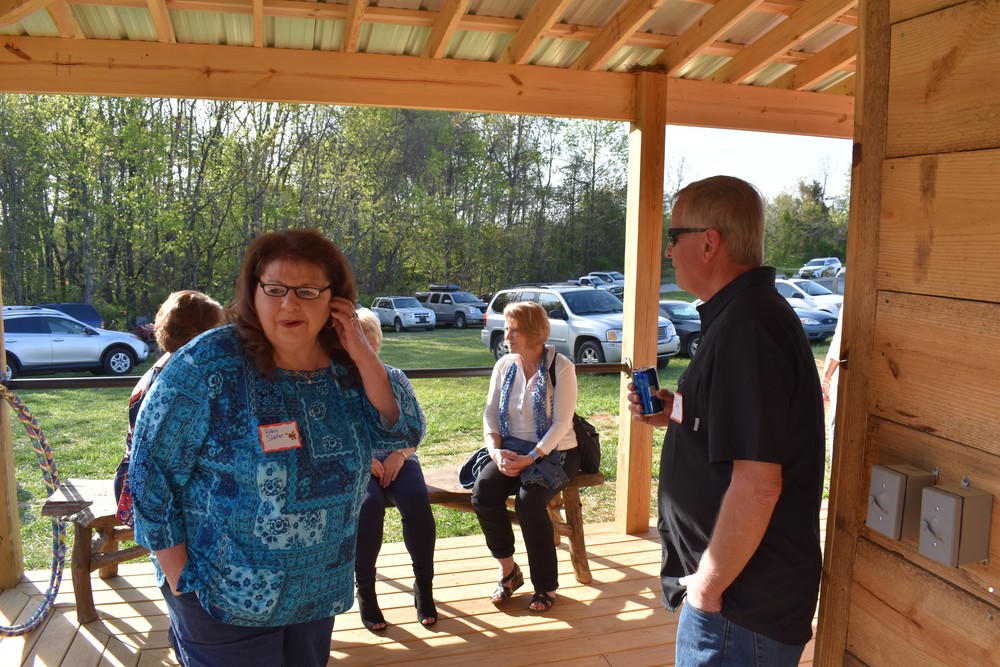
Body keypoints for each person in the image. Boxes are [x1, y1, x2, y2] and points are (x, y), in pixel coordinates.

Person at [129, 229, 424, 667]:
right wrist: (178, 574)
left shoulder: (348, 365)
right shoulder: (208, 363)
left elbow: (403, 432)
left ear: (335, 299)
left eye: (307, 291)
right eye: (275, 289)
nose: (289, 304)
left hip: (316, 590)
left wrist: (364, 354)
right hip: (221, 594)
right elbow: (149, 471)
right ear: (254, 292)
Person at [627, 176, 825, 666]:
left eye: (674, 237)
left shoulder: (748, 327)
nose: (669, 251)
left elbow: (760, 485)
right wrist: (675, 411)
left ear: (708, 243)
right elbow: (743, 428)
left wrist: (707, 589)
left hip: (739, 608)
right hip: (735, 597)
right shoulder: (742, 316)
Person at [469, 300, 580, 613]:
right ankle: (509, 572)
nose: (506, 336)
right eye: (506, 328)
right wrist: (495, 451)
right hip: (511, 448)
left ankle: (545, 586)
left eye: (514, 330)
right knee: (483, 493)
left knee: (529, 503)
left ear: (534, 332)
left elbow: (562, 424)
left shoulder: (561, 367)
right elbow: (490, 415)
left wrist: (531, 457)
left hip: (557, 451)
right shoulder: (504, 366)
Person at [353, 308, 437, 631]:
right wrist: (364, 458)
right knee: (369, 505)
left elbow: (419, 425)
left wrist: (400, 455)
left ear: (377, 343)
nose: (364, 351)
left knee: (417, 500)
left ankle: (424, 587)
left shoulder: (395, 378)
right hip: (359, 462)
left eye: (369, 343)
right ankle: (367, 592)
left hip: (400, 458)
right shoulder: (339, 384)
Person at [114, 290, 224, 526]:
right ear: (198, 335)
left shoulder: (166, 368)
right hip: (141, 494)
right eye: (218, 330)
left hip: (141, 484)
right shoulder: (175, 386)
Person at [821, 313, 844, 450]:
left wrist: (825, 380)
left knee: (839, 429)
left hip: (847, 380)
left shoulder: (851, 305)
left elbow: (840, 344)